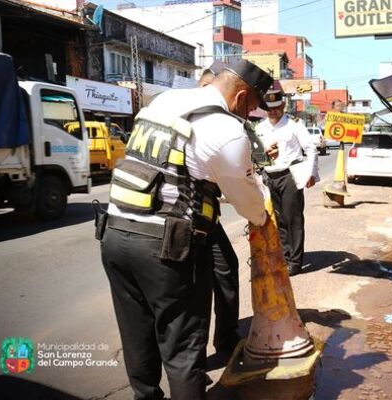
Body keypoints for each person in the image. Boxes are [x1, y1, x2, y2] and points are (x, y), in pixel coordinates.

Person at [97, 59, 273, 400]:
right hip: (167, 250)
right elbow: (250, 205)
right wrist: (265, 219)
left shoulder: (165, 101)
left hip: (115, 234)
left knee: (138, 337)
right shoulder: (225, 129)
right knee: (183, 353)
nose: (251, 113)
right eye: (253, 105)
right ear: (240, 97)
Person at [198, 61, 241, 353]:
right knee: (196, 289)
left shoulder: (221, 122)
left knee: (227, 268)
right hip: (181, 219)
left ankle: (225, 337)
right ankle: (192, 358)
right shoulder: (186, 117)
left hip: (207, 214)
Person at [256, 89, 319, 276]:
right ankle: (284, 255)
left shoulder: (294, 125)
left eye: (276, 107)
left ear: (283, 106)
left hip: (290, 175)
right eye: (269, 108)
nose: (273, 111)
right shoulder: (260, 128)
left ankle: (295, 261)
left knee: (293, 219)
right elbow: (256, 154)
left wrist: (311, 174)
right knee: (278, 220)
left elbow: (311, 149)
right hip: (269, 177)